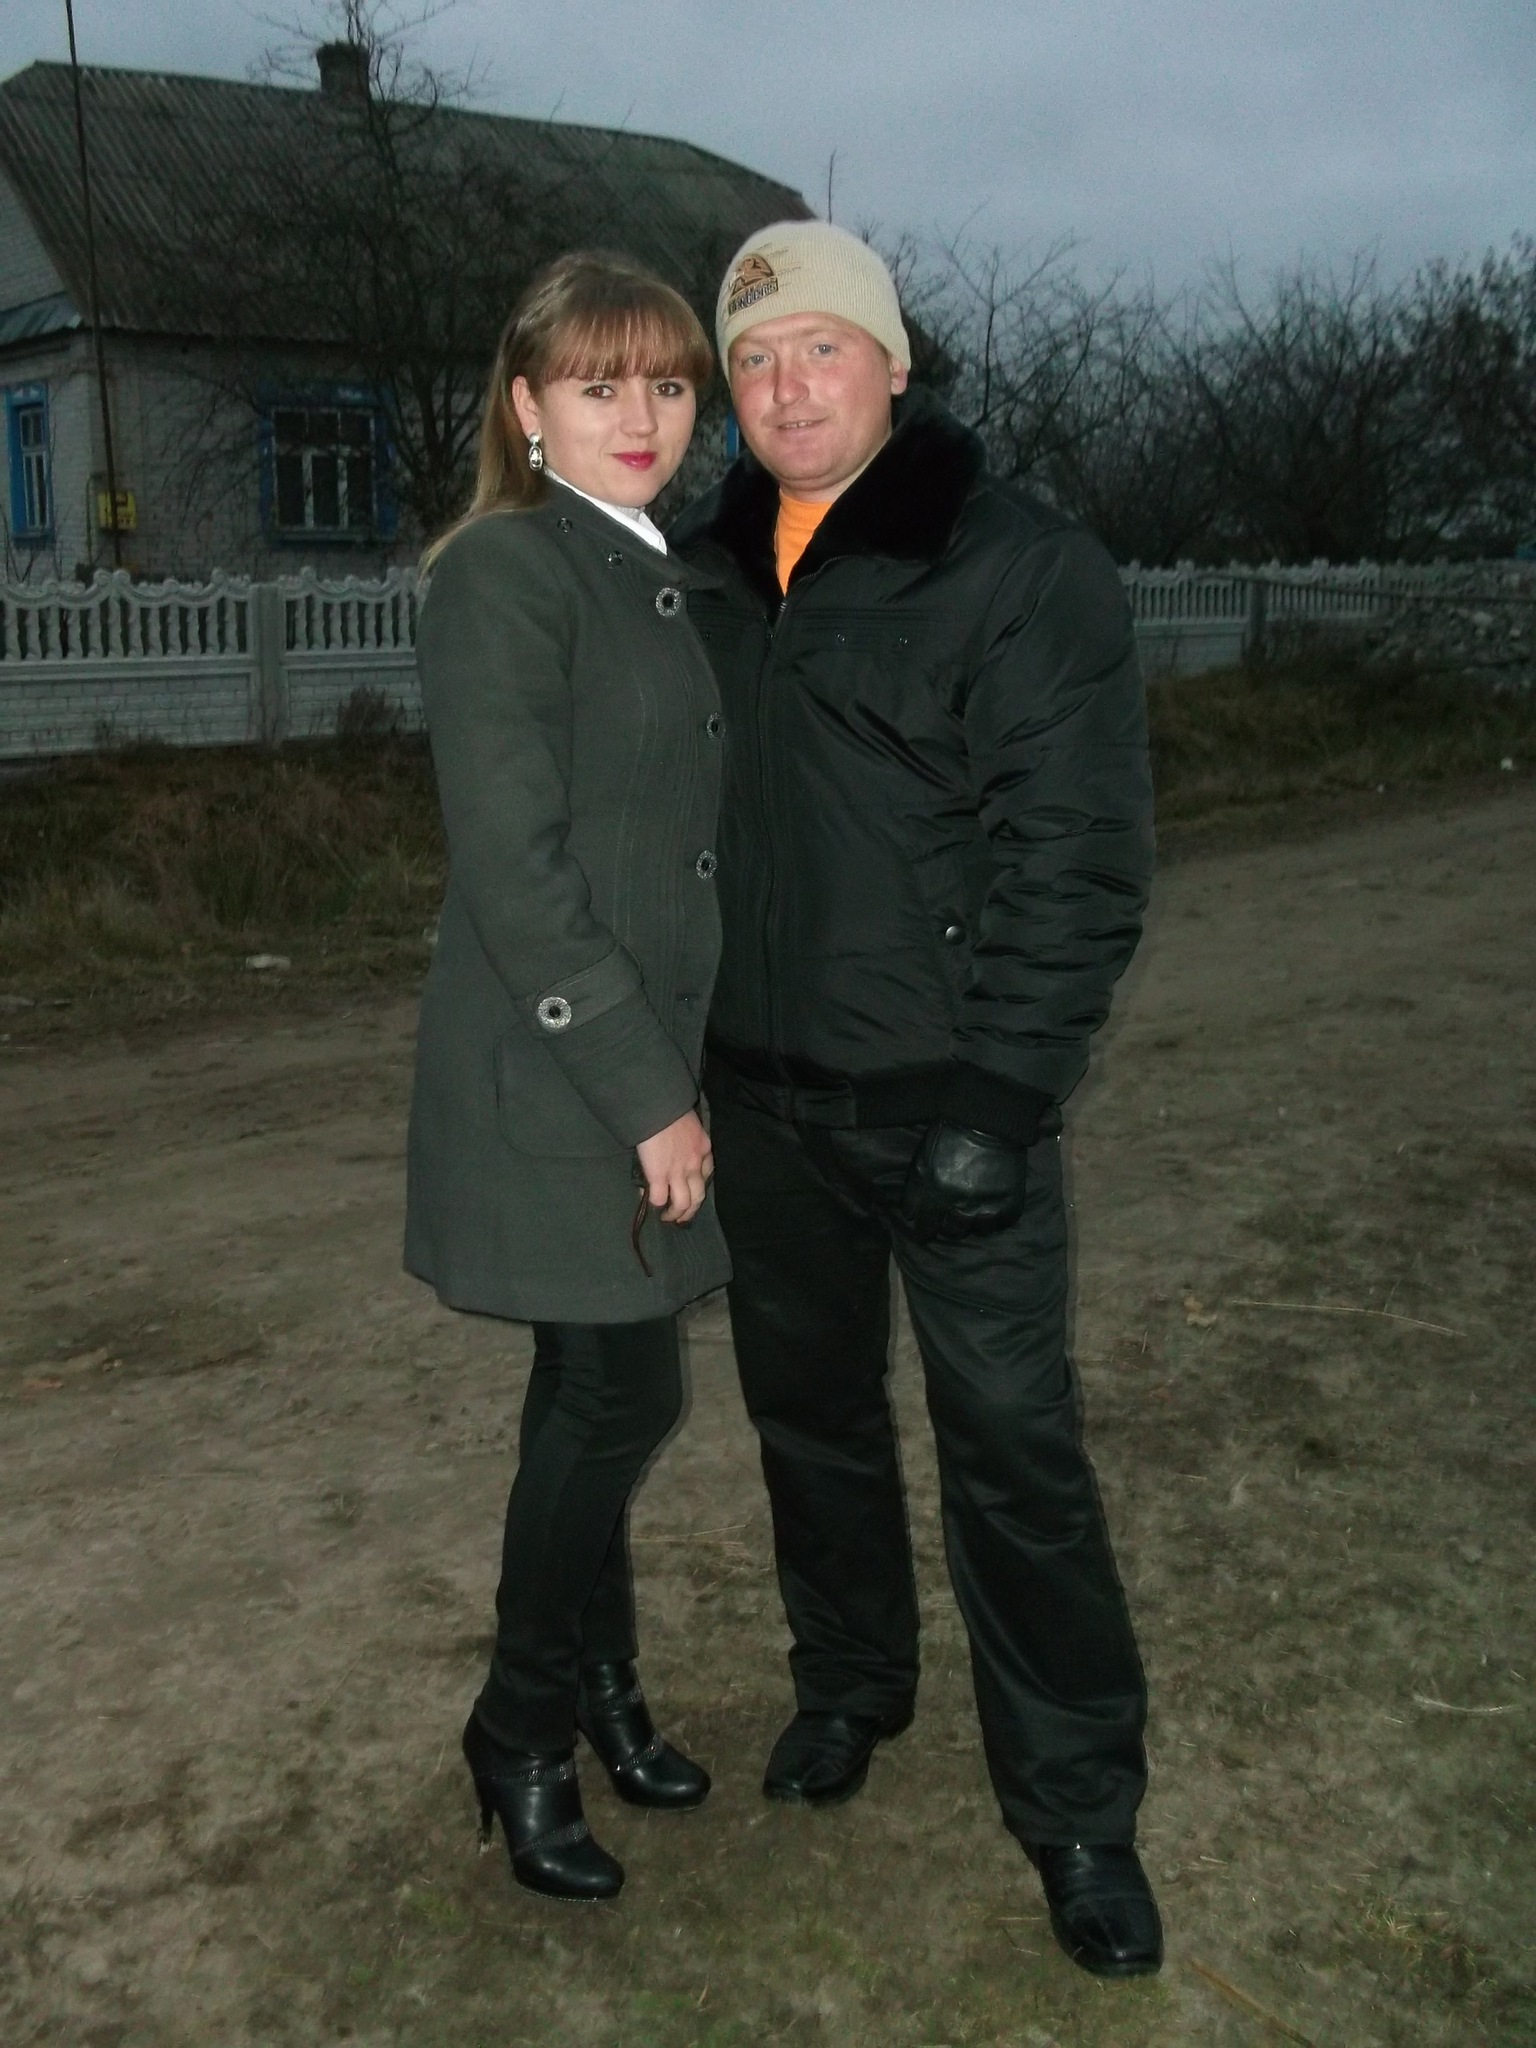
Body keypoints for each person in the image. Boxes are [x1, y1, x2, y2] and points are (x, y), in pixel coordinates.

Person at [670, 221, 1163, 1977]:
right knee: (809, 1424)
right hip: (763, 1104)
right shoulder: (701, 571)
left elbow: (1078, 856)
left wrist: (1001, 1099)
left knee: (1013, 1453)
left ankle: (1080, 1812)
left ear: (891, 364)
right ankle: (851, 1684)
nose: (787, 386)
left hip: (951, 1105)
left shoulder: (1011, 564)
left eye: (821, 347)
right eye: (753, 360)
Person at [405, 252, 729, 1903]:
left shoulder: (646, 564)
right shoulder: (504, 574)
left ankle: (599, 1694)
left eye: (667, 383)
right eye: (600, 385)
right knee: (625, 1396)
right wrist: (648, 1089)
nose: (641, 415)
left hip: (625, 1057)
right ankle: (520, 1724)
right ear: (527, 407)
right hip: (565, 1071)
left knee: (585, 1390)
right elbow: (518, 870)